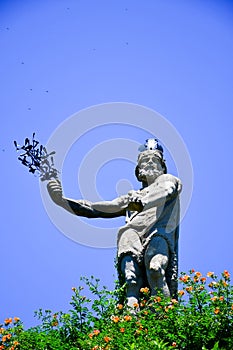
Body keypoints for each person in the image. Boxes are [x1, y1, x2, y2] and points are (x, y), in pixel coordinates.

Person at [47, 139, 182, 308]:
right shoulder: (132, 196)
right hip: (131, 234)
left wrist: (142, 202)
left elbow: (166, 191)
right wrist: (61, 201)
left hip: (158, 233)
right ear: (138, 171)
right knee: (131, 280)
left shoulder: (169, 180)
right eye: (144, 161)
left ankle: (164, 317)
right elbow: (94, 209)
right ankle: (129, 320)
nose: (149, 163)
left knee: (155, 269)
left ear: (162, 167)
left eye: (154, 160)